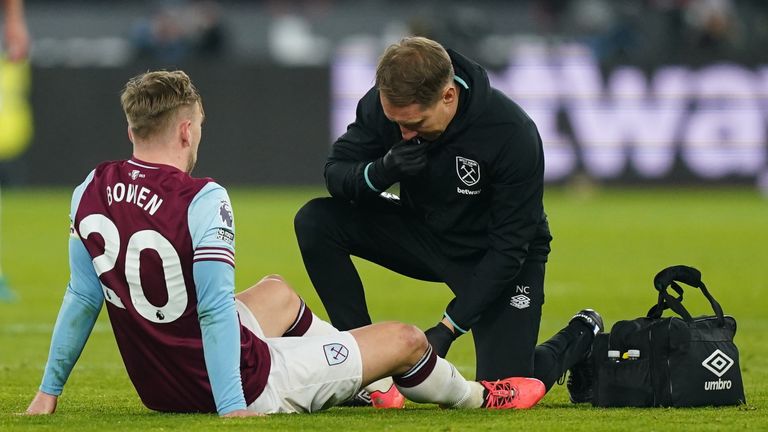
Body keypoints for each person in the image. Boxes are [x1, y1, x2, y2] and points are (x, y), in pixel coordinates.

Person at [24, 70, 547, 417]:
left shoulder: (89, 188)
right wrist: (233, 409)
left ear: (131, 126)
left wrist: (48, 393)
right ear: (186, 131)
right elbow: (211, 312)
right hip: (241, 384)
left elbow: (82, 297)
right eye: (200, 127)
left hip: (159, 387)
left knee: (275, 291)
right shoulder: (202, 198)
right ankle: (481, 397)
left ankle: (366, 385)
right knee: (407, 339)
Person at [294, 36, 603, 404]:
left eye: (415, 123)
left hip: (494, 254)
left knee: (503, 387)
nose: (404, 134)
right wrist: (380, 170)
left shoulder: (510, 133)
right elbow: (336, 173)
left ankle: (581, 336)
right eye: (397, 123)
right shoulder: (385, 106)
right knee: (315, 220)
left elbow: (510, 247)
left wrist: (448, 328)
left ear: (448, 96)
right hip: (422, 231)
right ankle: (365, 370)